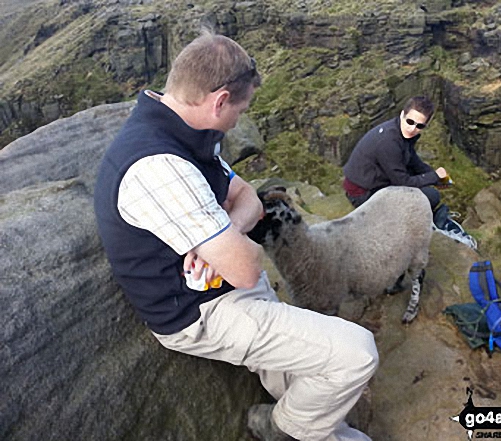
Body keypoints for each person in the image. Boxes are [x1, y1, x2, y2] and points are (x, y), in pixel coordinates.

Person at [94, 29, 378, 441]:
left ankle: (319, 427)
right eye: (240, 111)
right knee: (356, 353)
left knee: (306, 365)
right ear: (219, 101)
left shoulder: (183, 126)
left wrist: (220, 237)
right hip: (202, 312)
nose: (238, 122)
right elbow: (246, 267)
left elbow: (248, 199)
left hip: (222, 283)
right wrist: (227, 245)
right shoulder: (158, 165)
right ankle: (283, 427)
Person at [343, 96, 450, 226]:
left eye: (420, 126)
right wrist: (434, 176)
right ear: (402, 114)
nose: (412, 129)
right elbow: (402, 182)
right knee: (431, 196)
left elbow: (414, 162)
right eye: (410, 121)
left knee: (423, 186)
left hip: (375, 180)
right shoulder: (389, 142)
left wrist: (443, 180)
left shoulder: (400, 131)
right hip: (363, 194)